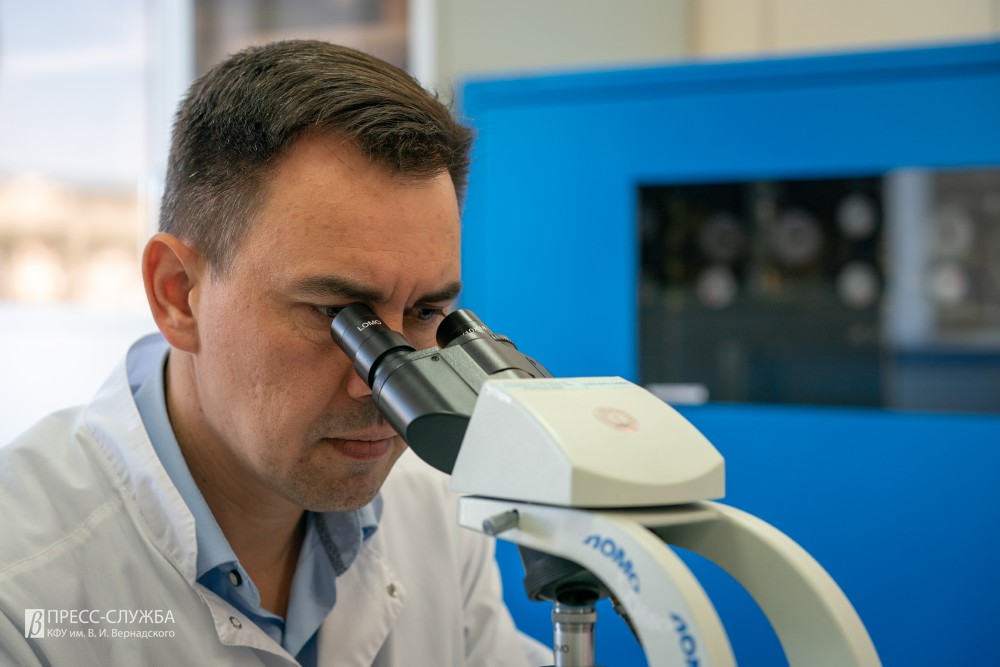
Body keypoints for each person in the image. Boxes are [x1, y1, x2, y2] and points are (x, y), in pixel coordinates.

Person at [0, 40, 550, 666]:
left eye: (426, 313)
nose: (386, 386)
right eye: (339, 315)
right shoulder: (22, 589)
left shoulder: (432, 509)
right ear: (178, 294)